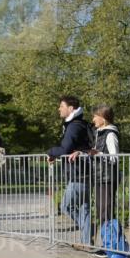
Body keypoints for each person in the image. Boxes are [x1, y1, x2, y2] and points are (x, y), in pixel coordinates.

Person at [46, 95, 92, 246]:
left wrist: (50, 152)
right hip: (84, 172)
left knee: (66, 206)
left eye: (61, 106)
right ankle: (87, 242)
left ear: (71, 108)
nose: (59, 109)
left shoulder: (73, 126)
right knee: (84, 208)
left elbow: (65, 149)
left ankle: (88, 229)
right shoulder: (80, 124)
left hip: (78, 173)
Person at [86, 105, 120, 257]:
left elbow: (114, 158)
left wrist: (97, 154)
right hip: (100, 177)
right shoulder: (99, 133)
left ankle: (110, 246)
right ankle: (107, 244)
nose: (93, 119)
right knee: (102, 211)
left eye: (95, 116)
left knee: (106, 211)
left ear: (103, 118)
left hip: (107, 177)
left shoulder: (110, 134)